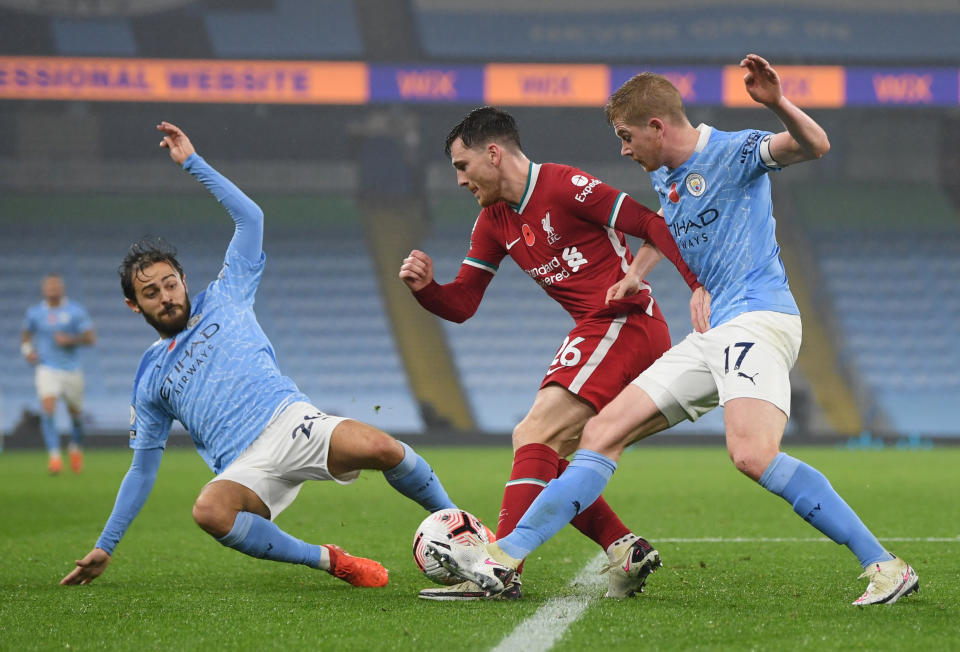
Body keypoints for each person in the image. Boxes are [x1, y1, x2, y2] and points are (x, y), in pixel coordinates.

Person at [432, 55, 919, 607]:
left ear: (656, 127)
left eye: (625, 136)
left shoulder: (734, 152)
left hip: (758, 318)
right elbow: (658, 232)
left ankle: (884, 564)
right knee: (599, 434)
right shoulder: (664, 177)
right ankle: (514, 551)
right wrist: (639, 274)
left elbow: (814, 146)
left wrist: (778, 103)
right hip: (711, 335)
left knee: (752, 454)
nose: (622, 149)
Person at [61, 121, 458, 589]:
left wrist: (192, 163)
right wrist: (106, 544)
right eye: (151, 293)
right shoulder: (150, 376)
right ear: (135, 305)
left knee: (384, 448)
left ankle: (462, 527)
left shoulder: (226, 294)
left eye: (170, 284)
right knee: (209, 510)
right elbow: (143, 468)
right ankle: (330, 560)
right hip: (246, 467)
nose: (165, 296)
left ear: (184, 280)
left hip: (291, 422)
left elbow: (251, 218)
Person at [399, 107, 706, 600]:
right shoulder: (493, 222)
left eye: (462, 166)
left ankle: (499, 564)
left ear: (493, 154)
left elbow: (651, 222)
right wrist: (426, 288)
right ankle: (624, 548)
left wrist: (697, 286)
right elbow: (462, 303)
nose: (459, 180)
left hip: (625, 323)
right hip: (599, 329)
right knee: (550, 454)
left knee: (534, 433)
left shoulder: (564, 185)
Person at [22, 274, 96, 474]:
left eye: (56, 285)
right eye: (49, 286)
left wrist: (70, 340)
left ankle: (75, 448)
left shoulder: (75, 311)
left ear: (62, 288)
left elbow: (90, 338)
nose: (53, 289)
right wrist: (28, 351)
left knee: (76, 416)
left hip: (72, 370)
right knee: (48, 408)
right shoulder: (35, 313)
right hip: (47, 368)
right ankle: (54, 457)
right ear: (44, 289)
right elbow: (26, 336)